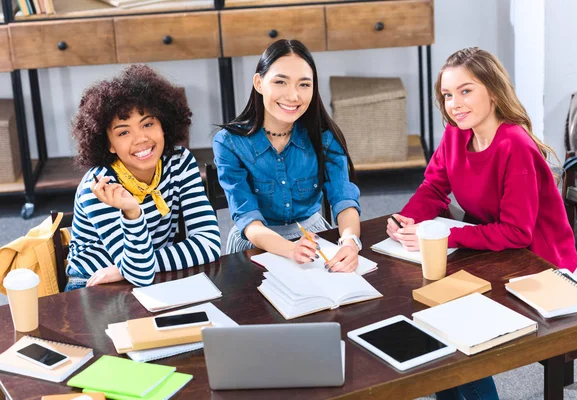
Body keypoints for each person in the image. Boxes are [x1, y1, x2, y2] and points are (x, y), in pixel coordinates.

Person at [387, 47, 577, 399]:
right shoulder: (457, 134)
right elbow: (434, 186)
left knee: (454, 327)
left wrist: (450, 236)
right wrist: (408, 218)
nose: (454, 103)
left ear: (492, 90)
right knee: (428, 310)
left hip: (537, 263)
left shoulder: (514, 145)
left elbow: (518, 232)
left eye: (466, 90)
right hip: (493, 251)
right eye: (447, 94)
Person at [66, 65, 221, 291]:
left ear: (163, 125)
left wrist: (127, 268)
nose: (140, 139)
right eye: (123, 132)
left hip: (151, 275)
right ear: (108, 144)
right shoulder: (99, 186)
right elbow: (140, 274)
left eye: (148, 124)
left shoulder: (179, 161)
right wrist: (132, 212)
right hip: (93, 285)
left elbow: (209, 245)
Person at [213, 39, 361, 272]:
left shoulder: (325, 136)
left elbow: (344, 200)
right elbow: (248, 220)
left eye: (304, 85)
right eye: (280, 81)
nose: (293, 96)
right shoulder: (229, 143)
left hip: (314, 240)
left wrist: (350, 241)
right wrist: (290, 249)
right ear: (259, 83)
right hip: (254, 245)